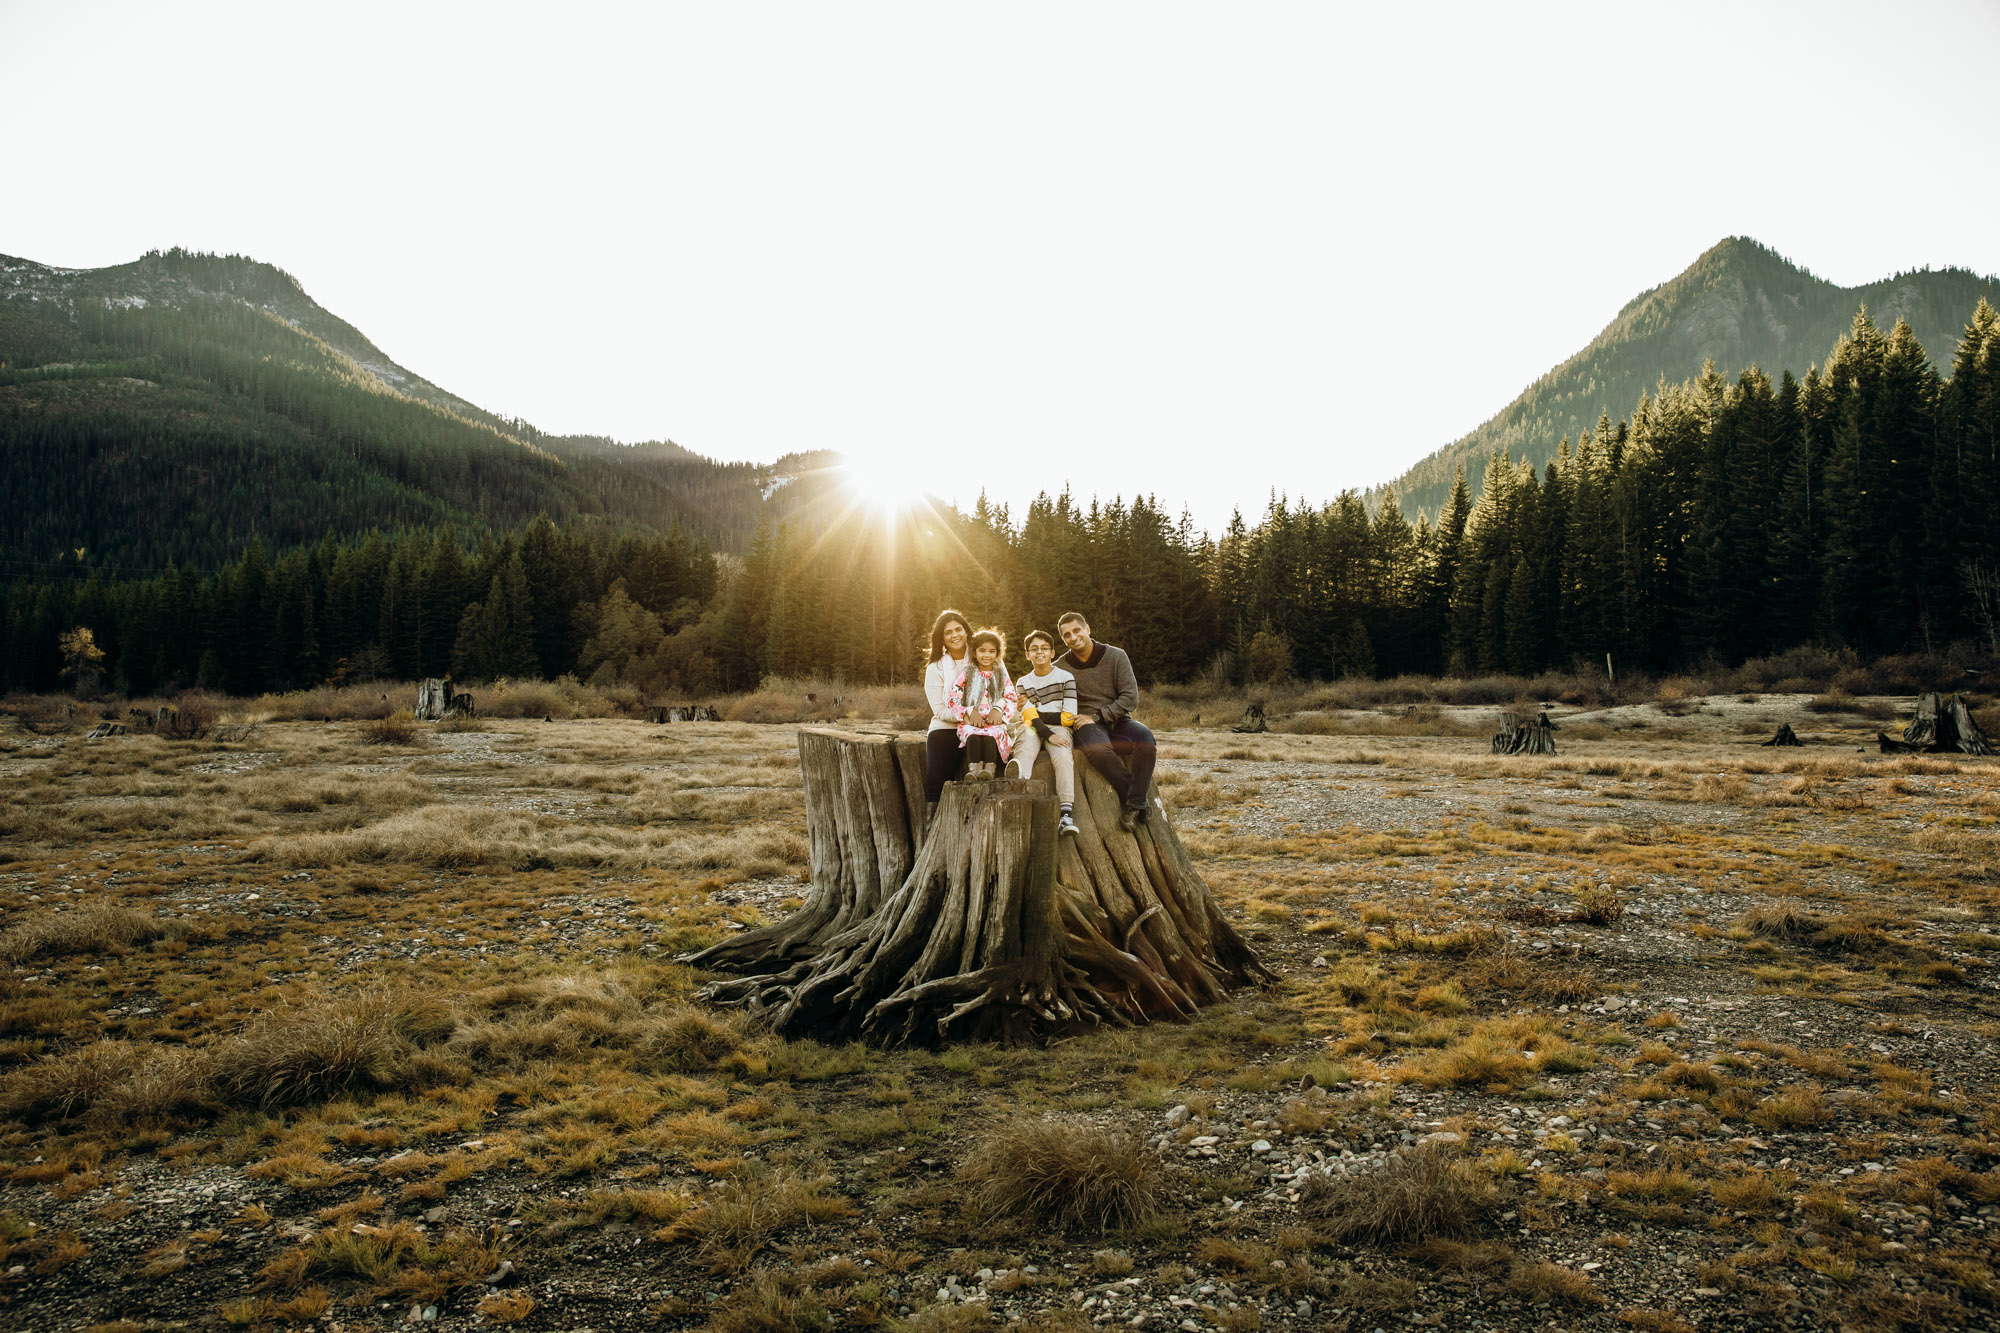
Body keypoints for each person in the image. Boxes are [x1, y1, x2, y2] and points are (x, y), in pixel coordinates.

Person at [1055, 611, 1155, 832]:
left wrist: (1099, 715)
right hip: (1086, 725)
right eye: (1066, 635)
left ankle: (1134, 805)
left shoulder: (1116, 656)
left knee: (1146, 739)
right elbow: (1045, 689)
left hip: (1118, 720)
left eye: (1077, 630)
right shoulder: (1060, 667)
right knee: (1098, 750)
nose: (1073, 637)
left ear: (1087, 629)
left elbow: (1131, 697)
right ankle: (1137, 800)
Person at [1009, 628, 1080, 836]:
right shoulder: (1023, 682)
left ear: (1052, 653)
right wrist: (1041, 725)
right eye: (1034, 649)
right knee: (1025, 750)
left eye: (1044, 648)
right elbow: (1027, 719)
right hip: (1032, 729)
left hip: (1059, 728)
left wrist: (1036, 714)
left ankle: (1066, 815)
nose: (1039, 652)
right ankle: (1018, 792)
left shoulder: (1066, 677)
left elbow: (1068, 717)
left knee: (1062, 756)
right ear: (1027, 654)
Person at [949, 628, 1017, 779]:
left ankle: (988, 772)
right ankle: (974, 772)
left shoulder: (1001, 675)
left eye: (992, 651)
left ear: (997, 653)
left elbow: (1011, 697)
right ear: (974, 652)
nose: (986, 655)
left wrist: (999, 710)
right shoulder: (967, 673)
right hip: (972, 722)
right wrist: (969, 711)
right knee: (973, 737)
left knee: (990, 738)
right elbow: (953, 698)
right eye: (982, 650)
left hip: (994, 723)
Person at [921, 609, 973, 805]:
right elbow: (940, 711)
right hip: (946, 728)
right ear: (941, 638)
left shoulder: (985, 656)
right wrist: (968, 714)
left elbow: (1003, 691)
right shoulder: (935, 667)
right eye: (948, 632)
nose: (955, 635)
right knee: (936, 781)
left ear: (966, 631)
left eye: (958, 629)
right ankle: (933, 828)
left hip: (982, 726)